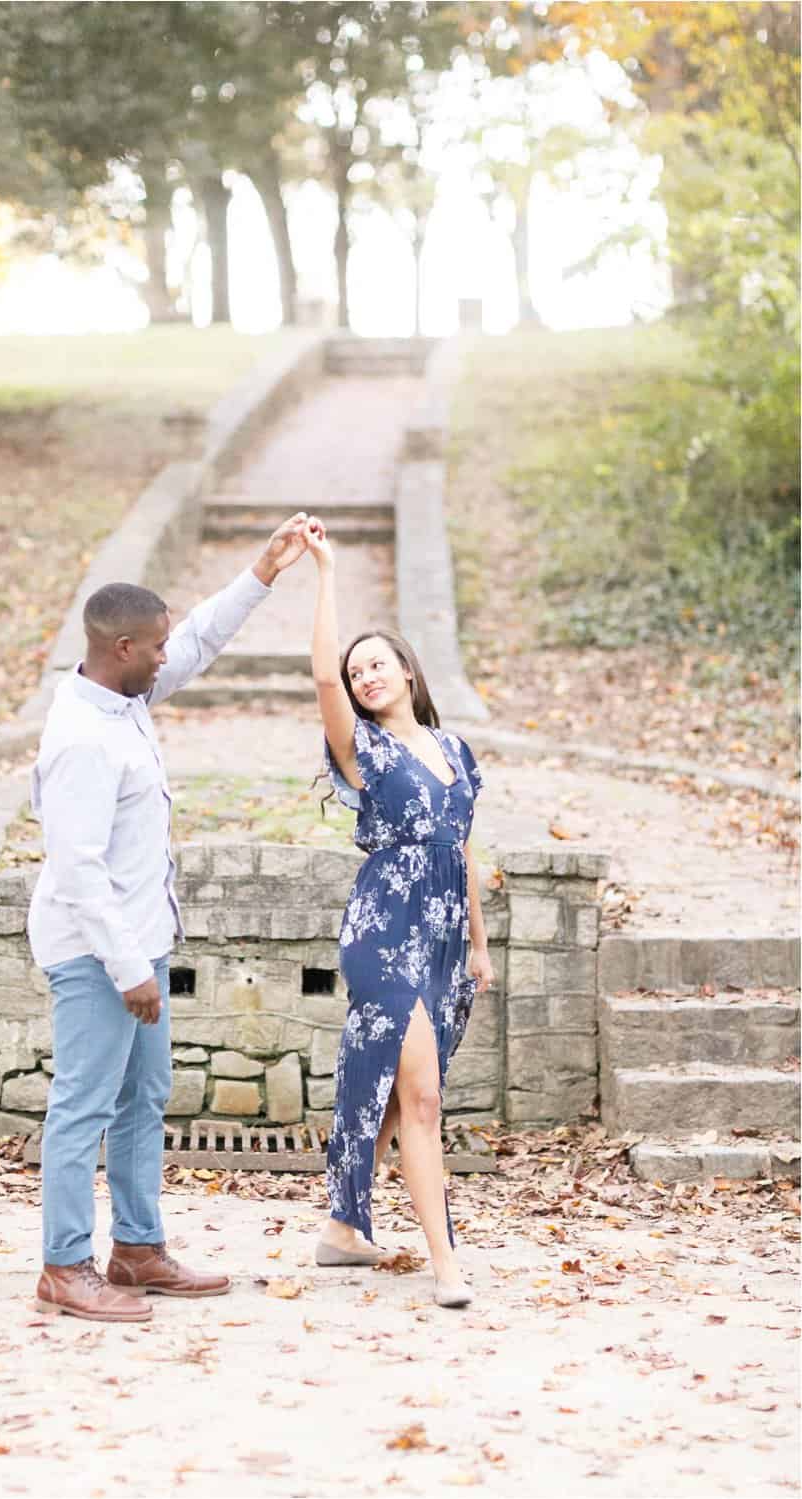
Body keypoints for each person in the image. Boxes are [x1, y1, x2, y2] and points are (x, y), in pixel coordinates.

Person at [28, 513, 311, 1321]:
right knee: (83, 1104)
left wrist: (262, 572)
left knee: (142, 1099)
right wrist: (130, 971)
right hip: (98, 956)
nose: (166, 654)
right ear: (122, 650)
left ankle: (139, 1249)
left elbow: (195, 643)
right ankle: (64, 1264)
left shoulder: (122, 699)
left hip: (139, 949)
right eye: (152, 646)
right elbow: (79, 873)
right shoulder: (84, 738)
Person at [304, 516, 494, 1308]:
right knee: (420, 1095)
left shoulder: (455, 755)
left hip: (445, 941)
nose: (365, 676)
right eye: (356, 673)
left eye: (377, 664)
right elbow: (319, 678)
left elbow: (464, 851)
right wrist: (324, 574)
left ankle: (344, 1228)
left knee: (390, 1085)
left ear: (408, 672)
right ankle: (446, 1266)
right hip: (382, 933)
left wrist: (479, 947)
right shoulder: (364, 753)